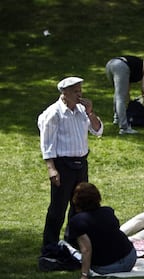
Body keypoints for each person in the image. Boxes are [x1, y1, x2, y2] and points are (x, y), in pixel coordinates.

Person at [37, 77, 104, 254]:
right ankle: (50, 245)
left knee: (80, 204)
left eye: (80, 90)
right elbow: (47, 143)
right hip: (63, 164)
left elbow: (98, 131)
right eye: (75, 91)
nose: (79, 94)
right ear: (64, 93)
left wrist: (90, 112)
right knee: (58, 207)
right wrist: (51, 168)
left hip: (81, 163)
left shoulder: (82, 110)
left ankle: (73, 241)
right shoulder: (53, 113)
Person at [68, 182, 136, 277]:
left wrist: (84, 274)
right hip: (130, 258)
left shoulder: (77, 222)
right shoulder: (108, 211)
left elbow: (86, 250)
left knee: (72, 252)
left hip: (106, 267)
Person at [105, 55, 144, 135]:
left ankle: (117, 118)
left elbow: (127, 92)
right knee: (120, 97)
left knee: (118, 94)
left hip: (110, 64)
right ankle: (124, 128)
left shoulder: (133, 66)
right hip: (120, 66)